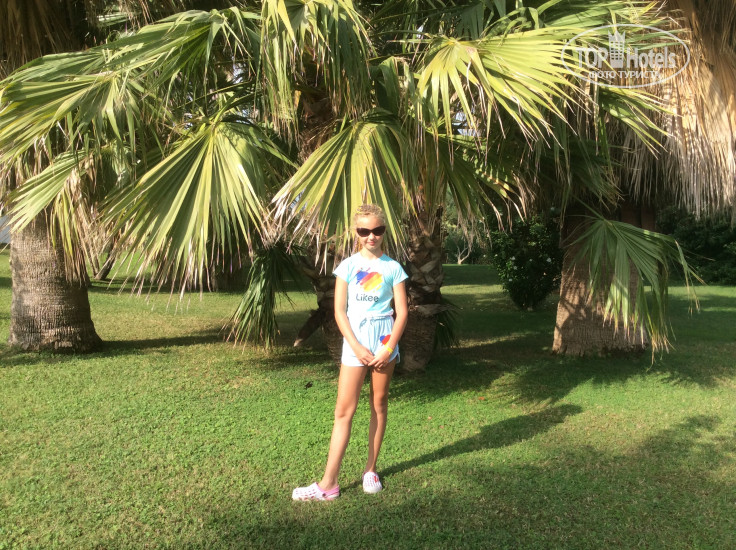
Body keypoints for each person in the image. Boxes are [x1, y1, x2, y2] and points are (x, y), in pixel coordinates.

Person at [292, 204, 409, 501]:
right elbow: (339, 312)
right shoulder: (347, 266)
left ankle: (371, 470)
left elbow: (402, 312)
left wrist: (388, 348)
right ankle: (328, 484)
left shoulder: (393, 268)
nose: (371, 236)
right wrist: (356, 346)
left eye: (377, 230)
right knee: (344, 411)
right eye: (364, 231)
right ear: (356, 233)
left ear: (384, 231)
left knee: (379, 404)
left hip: (384, 340)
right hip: (355, 341)